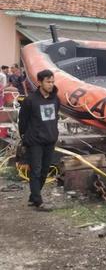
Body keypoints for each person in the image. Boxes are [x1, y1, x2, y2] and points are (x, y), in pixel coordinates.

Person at [17, 69, 60, 210]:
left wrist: (54, 134)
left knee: (44, 171)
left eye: (52, 82)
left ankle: (33, 196)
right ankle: (38, 201)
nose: (51, 84)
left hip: (50, 140)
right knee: (35, 170)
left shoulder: (55, 99)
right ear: (39, 82)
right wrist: (24, 137)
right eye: (48, 82)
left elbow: (55, 118)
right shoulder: (30, 100)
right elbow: (22, 121)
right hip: (35, 141)